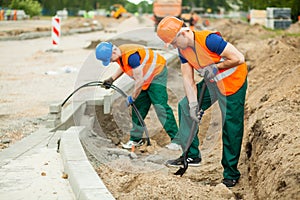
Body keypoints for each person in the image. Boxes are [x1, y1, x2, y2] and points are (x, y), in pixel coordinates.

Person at [156, 16, 248, 187]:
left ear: (183, 33)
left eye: (175, 42)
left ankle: (231, 173)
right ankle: (191, 155)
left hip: (233, 83)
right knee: (184, 106)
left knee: (231, 125)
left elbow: (239, 58)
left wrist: (215, 67)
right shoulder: (183, 50)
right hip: (213, 83)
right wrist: (193, 105)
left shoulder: (210, 40)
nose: (175, 46)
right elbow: (187, 78)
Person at [95, 42, 180, 150]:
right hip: (145, 78)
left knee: (160, 107)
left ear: (114, 51)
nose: (111, 61)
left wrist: (132, 97)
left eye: (110, 59)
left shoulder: (131, 56)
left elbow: (139, 80)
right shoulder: (120, 54)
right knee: (138, 108)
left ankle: (177, 141)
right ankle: (136, 139)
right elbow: (124, 66)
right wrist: (112, 79)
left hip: (156, 74)